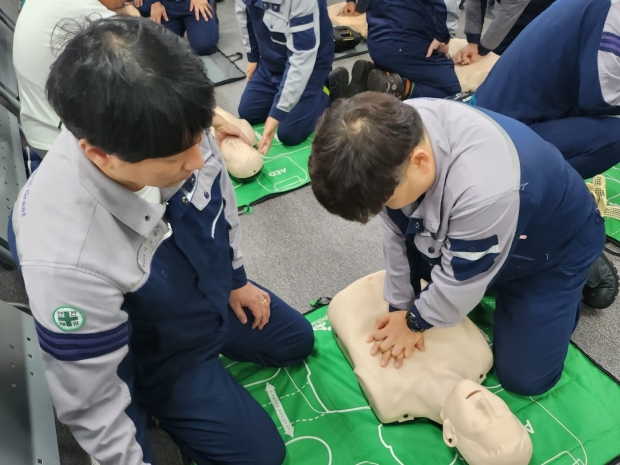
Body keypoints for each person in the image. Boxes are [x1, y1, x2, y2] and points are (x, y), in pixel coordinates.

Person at [9, 17, 313, 465]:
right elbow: (94, 403)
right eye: (176, 157)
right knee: (261, 457)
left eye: (198, 140)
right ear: (100, 156)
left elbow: (221, 204)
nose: (198, 159)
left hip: (206, 294)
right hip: (161, 351)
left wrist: (236, 279)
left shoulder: (169, 124)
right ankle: (166, 399)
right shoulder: (65, 257)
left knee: (297, 340)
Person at [309, 93, 610, 396]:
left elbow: (461, 279)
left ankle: (583, 267)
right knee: (431, 245)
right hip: (489, 226)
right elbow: (396, 234)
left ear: (420, 162)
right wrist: (399, 303)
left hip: (550, 249)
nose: (382, 211)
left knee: (525, 379)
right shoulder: (392, 136)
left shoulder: (485, 190)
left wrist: (414, 322)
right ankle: (491, 259)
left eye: (384, 201)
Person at [471, 0, 620, 181]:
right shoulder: (613, 9)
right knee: (615, 133)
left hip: (498, 111)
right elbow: (601, 98)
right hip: (501, 127)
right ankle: (535, 192)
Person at [12, 0, 139, 160]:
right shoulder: (91, 14)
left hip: (38, 124)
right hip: (60, 142)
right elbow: (147, 58)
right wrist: (135, 17)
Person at [234, 0, 349, 153]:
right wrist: (252, 56)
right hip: (271, 62)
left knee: (289, 133)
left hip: (310, 65)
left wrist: (277, 112)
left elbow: (301, 58)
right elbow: (245, 16)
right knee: (247, 113)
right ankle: (283, 91)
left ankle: (326, 88)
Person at [340, 0, 462, 99]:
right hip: (405, 46)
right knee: (451, 89)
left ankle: (374, 75)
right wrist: (442, 36)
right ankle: (399, 88)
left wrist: (354, 3)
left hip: (376, 42)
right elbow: (446, 4)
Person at [453, 0, 556, 65]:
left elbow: (508, 13)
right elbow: (475, 2)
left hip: (544, 8)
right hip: (515, 6)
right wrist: (473, 42)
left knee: (525, 51)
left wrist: (482, 50)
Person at [136, 0, 219, 55]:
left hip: (192, 3)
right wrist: (153, 2)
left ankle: (210, 8)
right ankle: (181, 24)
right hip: (165, 5)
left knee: (203, 47)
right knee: (164, 49)